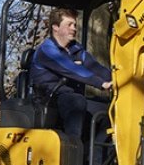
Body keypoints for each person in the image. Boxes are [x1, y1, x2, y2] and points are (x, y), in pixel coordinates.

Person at [30, 8, 113, 138]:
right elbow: (71, 69)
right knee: (76, 102)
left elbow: (95, 67)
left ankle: (94, 157)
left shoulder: (76, 49)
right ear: (55, 27)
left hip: (70, 97)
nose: (74, 28)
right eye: (69, 24)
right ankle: (73, 149)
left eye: (74, 25)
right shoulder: (47, 50)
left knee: (107, 110)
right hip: (49, 99)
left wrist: (118, 79)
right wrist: (101, 83)